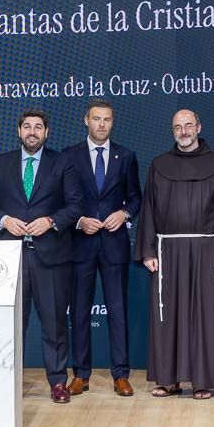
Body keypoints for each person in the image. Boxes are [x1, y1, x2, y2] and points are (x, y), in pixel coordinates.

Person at [0, 109, 84, 404]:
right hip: (9, 259)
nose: (33, 132)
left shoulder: (62, 163)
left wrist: (50, 221)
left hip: (50, 256)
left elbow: (75, 205)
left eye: (39, 127)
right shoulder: (1, 163)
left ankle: (57, 382)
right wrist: (4, 220)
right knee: (11, 323)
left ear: (47, 133)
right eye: (27, 127)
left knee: (53, 324)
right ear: (19, 131)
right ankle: (7, 380)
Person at [135, 109, 214, 401]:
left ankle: (202, 379)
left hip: (205, 251)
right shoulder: (159, 165)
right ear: (173, 131)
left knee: (203, 316)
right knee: (166, 316)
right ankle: (169, 380)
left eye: (188, 126)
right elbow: (149, 209)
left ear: (198, 127)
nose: (183, 131)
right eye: (178, 127)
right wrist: (147, 250)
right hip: (167, 251)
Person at [64, 99, 142, 398]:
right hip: (80, 244)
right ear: (86, 120)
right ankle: (80, 375)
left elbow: (136, 197)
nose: (101, 124)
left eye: (107, 120)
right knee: (80, 312)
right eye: (96, 119)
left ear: (112, 122)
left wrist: (124, 214)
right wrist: (80, 220)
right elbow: (62, 200)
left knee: (118, 311)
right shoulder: (69, 156)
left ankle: (120, 375)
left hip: (114, 245)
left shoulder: (127, 156)